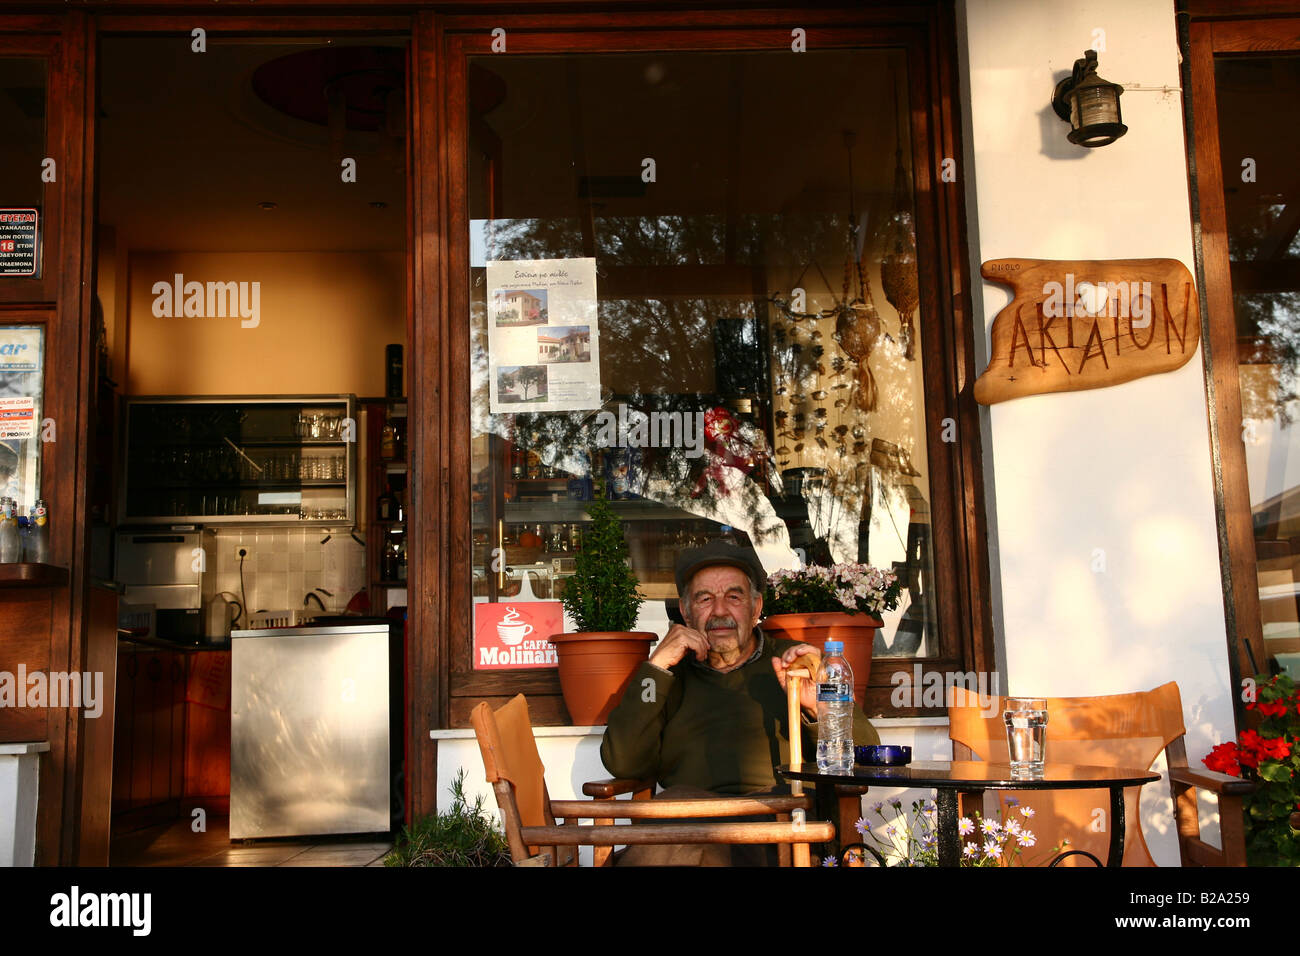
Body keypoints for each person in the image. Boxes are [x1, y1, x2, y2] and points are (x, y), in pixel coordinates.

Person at [599, 540, 879, 863]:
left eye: (734, 597)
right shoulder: (667, 675)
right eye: (705, 598)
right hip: (685, 825)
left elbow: (866, 755)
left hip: (773, 828)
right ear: (686, 611)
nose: (720, 611)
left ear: (756, 608)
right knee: (675, 842)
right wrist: (656, 665)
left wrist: (819, 708)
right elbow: (621, 761)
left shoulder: (795, 664)